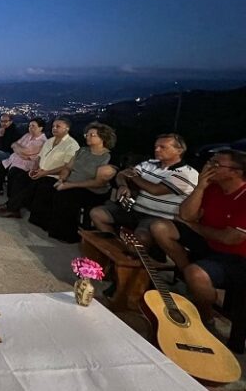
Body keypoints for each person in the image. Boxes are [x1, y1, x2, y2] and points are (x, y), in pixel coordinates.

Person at [151, 150, 246, 327]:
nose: (208, 167)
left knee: (197, 275)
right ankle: (190, 278)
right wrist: (200, 187)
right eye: (210, 161)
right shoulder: (212, 187)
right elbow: (185, 214)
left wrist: (194, 226)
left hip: (237, 257)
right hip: (209, 243)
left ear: (236, 172)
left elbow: (230, 238)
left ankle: (207, 316)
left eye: (216, 164)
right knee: (160, 227)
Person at [90, 134, 198, 246]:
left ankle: (134, 256)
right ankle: (116, 247)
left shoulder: (186, 173)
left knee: (141, 237)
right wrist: (123, 186)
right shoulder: (149, 163)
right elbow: (122, 174)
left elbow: (155, 190)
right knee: (97, 214)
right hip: (134, 210)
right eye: (156, 146)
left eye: (163, 147)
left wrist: (134, 177)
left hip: (158, 218)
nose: (157, 149)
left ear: (179, 151)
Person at [33, 122, 117, 243]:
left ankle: (69, 234)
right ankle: (46, 224)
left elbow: (98, 183)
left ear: (103, 138)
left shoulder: (107, 157)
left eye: (92, 135)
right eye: (87, 135)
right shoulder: (82, 151)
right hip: (71, 183)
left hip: (92, 190)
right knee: (47, 187)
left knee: (66, 197)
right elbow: (67, 167)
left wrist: (69, 185)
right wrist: (62, 179)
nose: (88, 137)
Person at [0, 117, 79, 218]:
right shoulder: (50, 141)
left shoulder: (71, 145)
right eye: (53, 126)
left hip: (52, 175)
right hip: (40, 171)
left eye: (58, 126)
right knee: (20, 178)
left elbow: (66, 167)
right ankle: (11, 206)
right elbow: (39, 157)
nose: (54, 128)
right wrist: (35, 168)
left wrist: (44, 173)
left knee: (28, 182)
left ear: (67, 128)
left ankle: (12, 208)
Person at [0, 118, 48, 217]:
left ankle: (12, 207)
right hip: (15, 160)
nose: (30, 128)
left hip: (27, 165)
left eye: (33, 126)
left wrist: (20, 150)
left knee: (15, 175)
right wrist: (20, 151)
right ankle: (7, 201)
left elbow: (26, 152)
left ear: (41, 128)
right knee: (1, 167)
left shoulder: (42, 141)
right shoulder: (27, 135)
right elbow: (14, 145)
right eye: (29, 126)